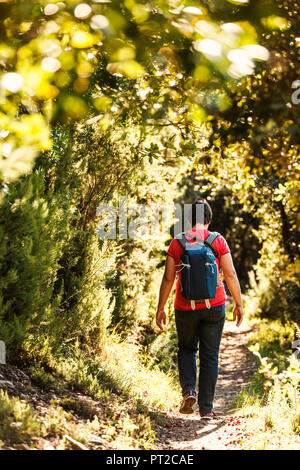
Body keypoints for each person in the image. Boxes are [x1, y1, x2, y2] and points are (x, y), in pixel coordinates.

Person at [156, 199, 244, 419]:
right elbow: (230, 274)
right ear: (209, 219)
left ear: (188, 220)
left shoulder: (177, 243)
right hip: (214, 306)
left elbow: (168, 278)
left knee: (186, 348)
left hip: (184, 307)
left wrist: (160, 308)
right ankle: (207, 410)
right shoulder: (218, 240)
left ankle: (188, 392)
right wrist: (239, 303)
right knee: (210, 356)